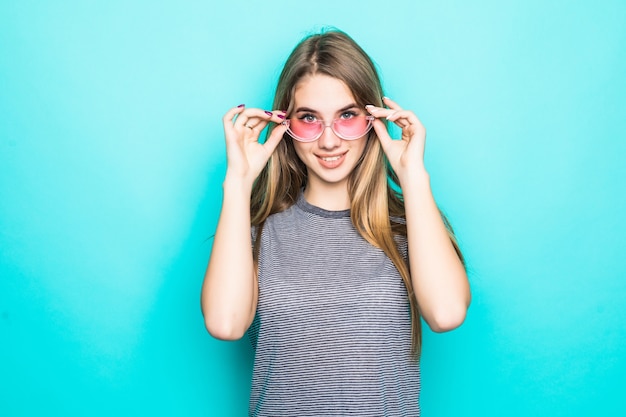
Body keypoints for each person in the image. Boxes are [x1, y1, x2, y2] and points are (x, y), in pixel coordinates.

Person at [201, 29, 471, 416]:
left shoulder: (409, 228)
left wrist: (413, 177)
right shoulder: (256, 235)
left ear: (373, 119)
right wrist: (239, 182)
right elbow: (225, 324)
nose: (329, 141)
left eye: (347, 116)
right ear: (285, 125)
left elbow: (446, 314)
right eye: (309, 118)